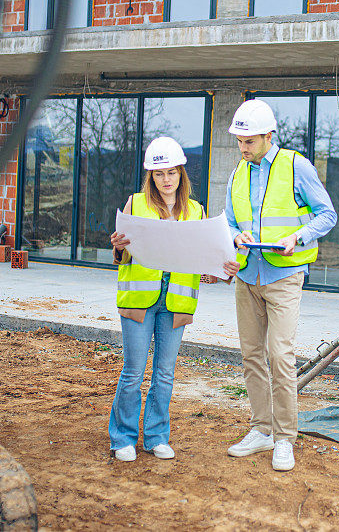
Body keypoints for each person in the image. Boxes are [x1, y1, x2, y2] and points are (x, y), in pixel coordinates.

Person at [222, 99, 337, 472]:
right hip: (247, 275)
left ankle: (285, 438)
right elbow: (227, 220)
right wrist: (235, 234)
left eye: (249, 141)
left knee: (280, 357)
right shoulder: (238, 171)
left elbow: (327, 214)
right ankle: (261, 430)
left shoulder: (295, 165)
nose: (243, 148)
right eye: (239, 141)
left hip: (284, 276)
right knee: (252, 355)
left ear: (268, 135)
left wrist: (298, 237)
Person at [108, 136, 221, 462]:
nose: (166, 179)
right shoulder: (136, 204)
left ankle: (156, 436)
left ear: (181, 173)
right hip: (140, 302)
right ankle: (123, 437)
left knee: (165, 374)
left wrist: (213, 269)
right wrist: (117, 246)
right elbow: (122, 255)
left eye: (172, 172)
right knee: (133, 372)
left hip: (177, 303)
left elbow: (201, 261)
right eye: (160, 174)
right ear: (151, 176)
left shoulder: (196, 211)